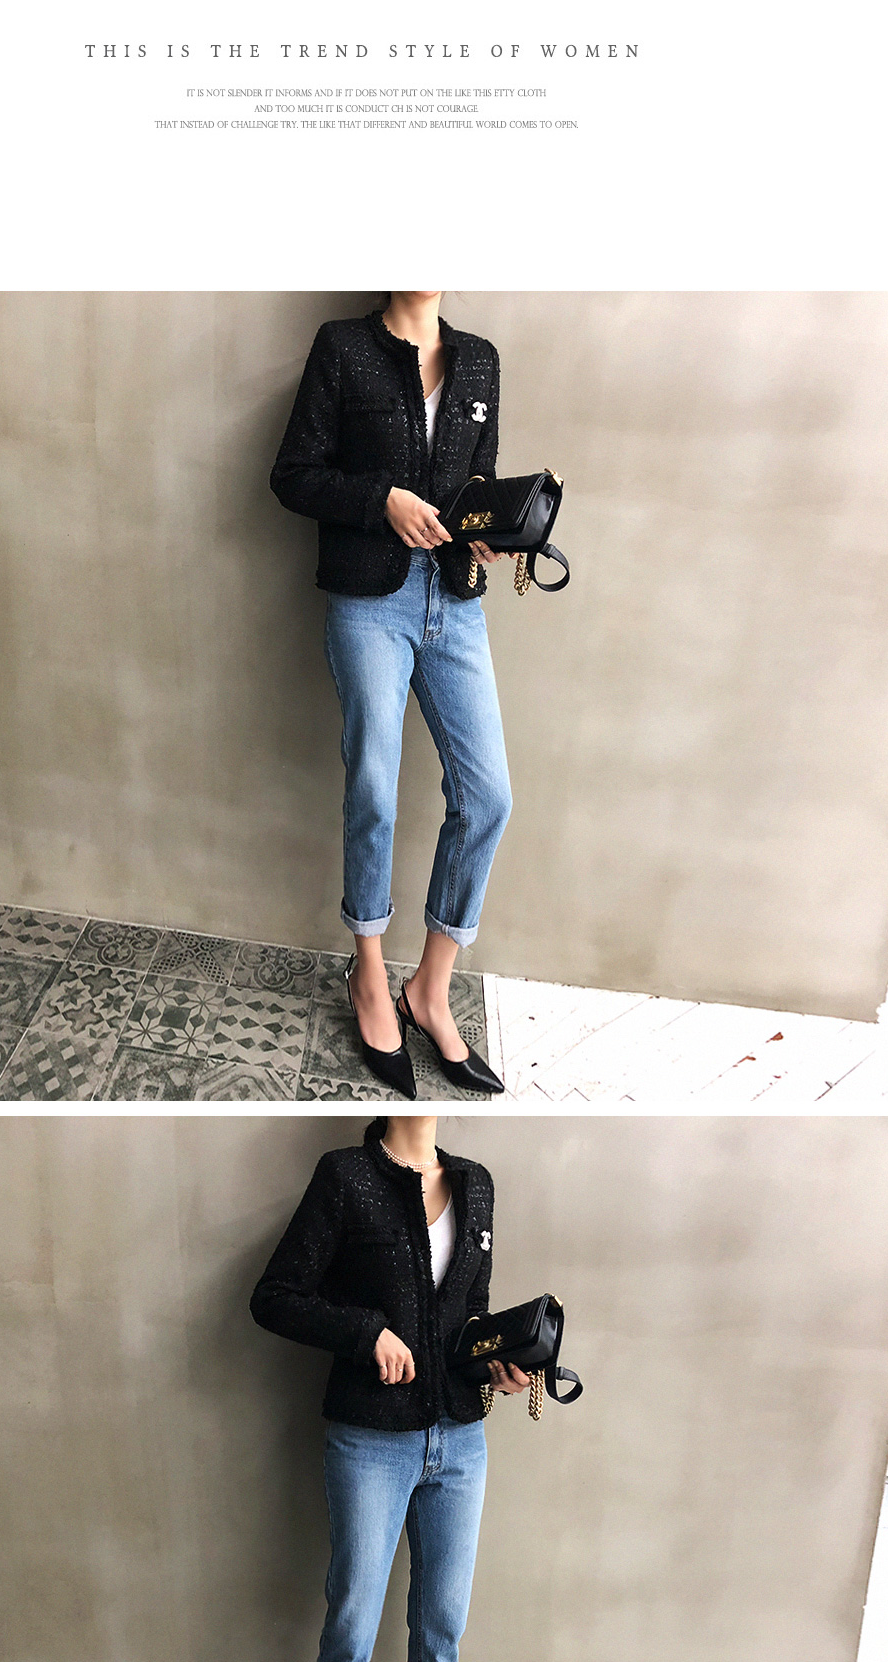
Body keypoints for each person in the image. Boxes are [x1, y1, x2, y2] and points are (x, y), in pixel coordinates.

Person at [249, 1112, 528, 1662]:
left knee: (443, 1623)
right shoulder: (346, 1177)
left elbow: (467, 1316)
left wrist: (498, 1361)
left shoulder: (475, 1184)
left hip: (461, 1442)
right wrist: (365, 1330)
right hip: (370, 1440)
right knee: (353, 1623)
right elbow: (275, 1297)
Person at [271, 292, 512, 1099]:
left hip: (456, 601)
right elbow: (293, 474)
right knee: (374, 783)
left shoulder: (480, 360)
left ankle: (430, 990)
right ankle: (369, 973)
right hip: (369, 602)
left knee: (488, 797)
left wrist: (492, 525)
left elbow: (478, 480)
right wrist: (381, 500)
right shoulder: (342, 347)